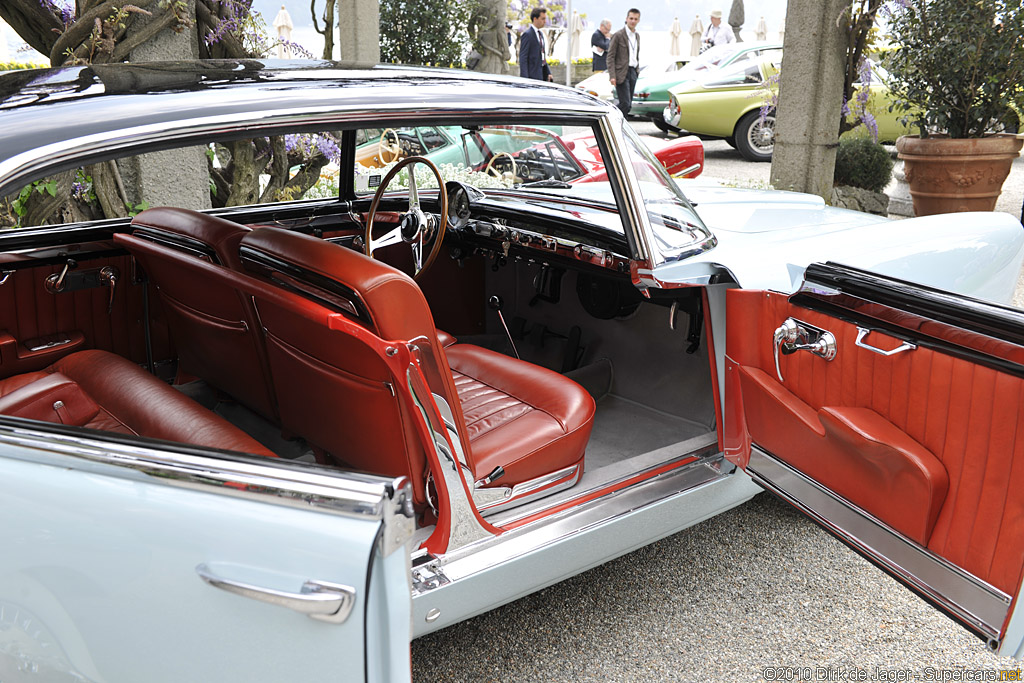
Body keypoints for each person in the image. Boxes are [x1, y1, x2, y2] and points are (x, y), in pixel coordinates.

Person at [606, 8, 640, 116]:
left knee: (628, 104)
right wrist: (612, 75)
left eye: (635, 19)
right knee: (625, 104)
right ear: (626, 19)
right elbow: (610, 56)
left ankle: (620, 128)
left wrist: (637, 71)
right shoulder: (618, 35)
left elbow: (636, 55)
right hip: (621, 73)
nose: (633, 21)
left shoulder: (637, 36)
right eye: (631, 18)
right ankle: (608, 116)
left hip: (633, 72)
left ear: (638, 20)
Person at [519, 7, 553, 82]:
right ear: (535, 19)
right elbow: (523, 58)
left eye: (545, 19)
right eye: (542, 19)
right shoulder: (527, 35)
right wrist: (525, 79)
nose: (545, 21)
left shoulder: (540, 34)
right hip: (532, 77)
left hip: (542, 76)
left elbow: (542, 56)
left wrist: (548, 72)